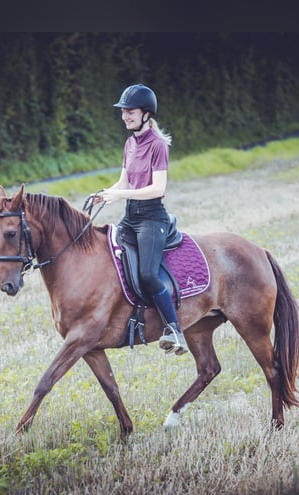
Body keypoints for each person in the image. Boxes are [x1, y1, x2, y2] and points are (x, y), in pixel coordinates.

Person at [95, 84, 188, 355]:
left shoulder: (158, 145)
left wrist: (120, 194)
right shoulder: (130, 143)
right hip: (131, 217)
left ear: (146, 113)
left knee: (147, 274)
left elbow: (158, 189)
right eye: (123, 112)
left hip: (152, 219)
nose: (125, 116)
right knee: (107, 256)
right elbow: (124, 180)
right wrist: (105, 193)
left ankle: (174, 329)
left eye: (130, 112)